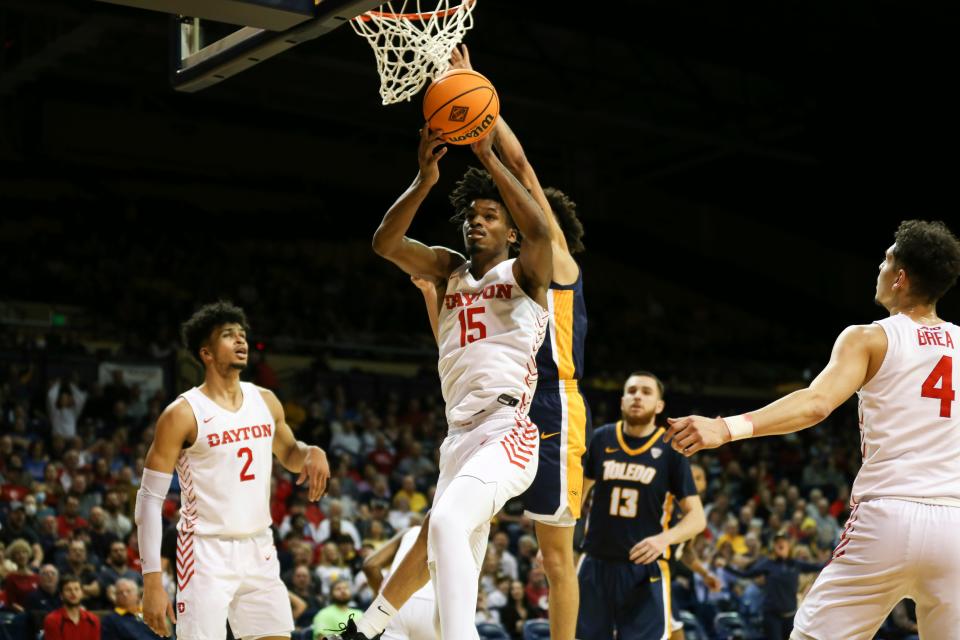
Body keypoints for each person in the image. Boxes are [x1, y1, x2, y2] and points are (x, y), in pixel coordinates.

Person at [665, 219, 960, 639]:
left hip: (889, 513)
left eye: (885, 258)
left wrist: (725, 428)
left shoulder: (870, 338)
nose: (877, 266)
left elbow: (817, 404)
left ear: (899, 277)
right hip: (955, 523)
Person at [339, 79, 553, 640]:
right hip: (457, 437)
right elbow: (386, 243)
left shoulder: (527, 275)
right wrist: (424, 179)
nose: (476, 222)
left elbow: (540, 229)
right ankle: (368, 630)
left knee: (447, 524)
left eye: (489, 215)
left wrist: (486, 154)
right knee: (440, 537)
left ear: (508, 228)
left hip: (507, 430)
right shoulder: (447, 268)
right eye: (472, 215)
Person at [137, 301, 330, 639]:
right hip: (204, 551)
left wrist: (312, 452)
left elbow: (289, 452)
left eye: (242, 335)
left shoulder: (265, 400)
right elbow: (150, 499)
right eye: (228, 336)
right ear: (206, 353)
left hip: (259, 546)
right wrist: (152, 581)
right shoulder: (182, 413)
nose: (241, 341)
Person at [577, 372, 706, 640]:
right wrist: (556, 544)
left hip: (645, 569)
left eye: (646, 392)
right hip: (595, 563)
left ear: (659, 406)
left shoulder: (671, 449)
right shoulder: (601, 438)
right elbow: (576, 495)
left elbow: (697, 518)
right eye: (632, 390)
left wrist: (664, 539)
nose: (637, 396)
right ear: (622, 400)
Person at [723, 533, 825, 639]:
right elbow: (746, 574)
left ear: (788, 545)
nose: (780, 543)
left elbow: (818, 566)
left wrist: (839, 555)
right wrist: (726, 566)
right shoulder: (768, 564)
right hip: (772, 616)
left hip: (790, 615)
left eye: (783, 541)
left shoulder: (795, 564)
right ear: (773, 547)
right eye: (777, 542)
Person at [361, 527, 435, 640]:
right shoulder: (462, 533)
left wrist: (386, 596)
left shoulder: (412, 531)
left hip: (395, 604)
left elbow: (370, 566)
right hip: (435, 606)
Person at [43, 575, 100, 640]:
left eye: (76, 589)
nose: (73, 593)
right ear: (61, 595)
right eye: (68, 590)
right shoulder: (52, 620)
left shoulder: (93, 620)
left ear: (82, 594)